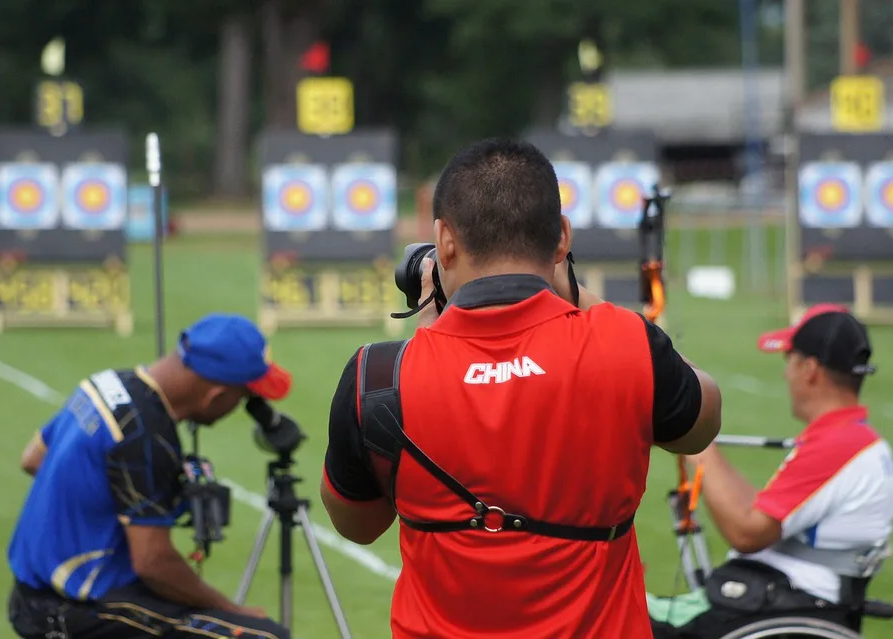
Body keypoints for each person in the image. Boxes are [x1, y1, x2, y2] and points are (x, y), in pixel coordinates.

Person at [318, 137, 724, 639]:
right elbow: (701, 423)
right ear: (561, 239)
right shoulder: (625, 344)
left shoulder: (377, 378)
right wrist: (578, 296)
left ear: (444, 241)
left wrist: (433, 316)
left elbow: (357, 525)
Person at [6, 313, 293, 639]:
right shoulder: (144, 435)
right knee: (265, 636)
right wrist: (230, 608)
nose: (239, 407)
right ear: (215, 395)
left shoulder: (107, 383)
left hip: (30, 592)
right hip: (70, 609)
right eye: (242, 398)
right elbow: (153, 563)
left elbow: (33, 458)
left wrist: (99, 513)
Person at [648, 304, 893, 638]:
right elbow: (761, 512)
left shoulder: (839, 445)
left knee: (624, 619)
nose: (785, 374)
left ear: (810, 369)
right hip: (786, 598)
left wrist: (698, 442)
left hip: (783, 603)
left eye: (788, 361)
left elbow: (748, 533)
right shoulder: (850, 438)